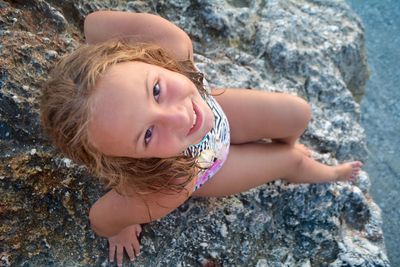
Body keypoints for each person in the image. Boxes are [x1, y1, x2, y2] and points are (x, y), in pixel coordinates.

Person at [40, 11, 363, 266]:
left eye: (156, 90)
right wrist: (123, 225)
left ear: (142, 58)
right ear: (130, 162)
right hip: (210, 165)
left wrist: (106, 62)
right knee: (290, 161)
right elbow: (100, 218)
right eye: (148, 134)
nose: (180, 118)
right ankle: (325, 172)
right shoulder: (167, 187)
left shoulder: (169, 48)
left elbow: (94, 24)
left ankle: (289, 141)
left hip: (220, 111)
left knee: (298, 113)